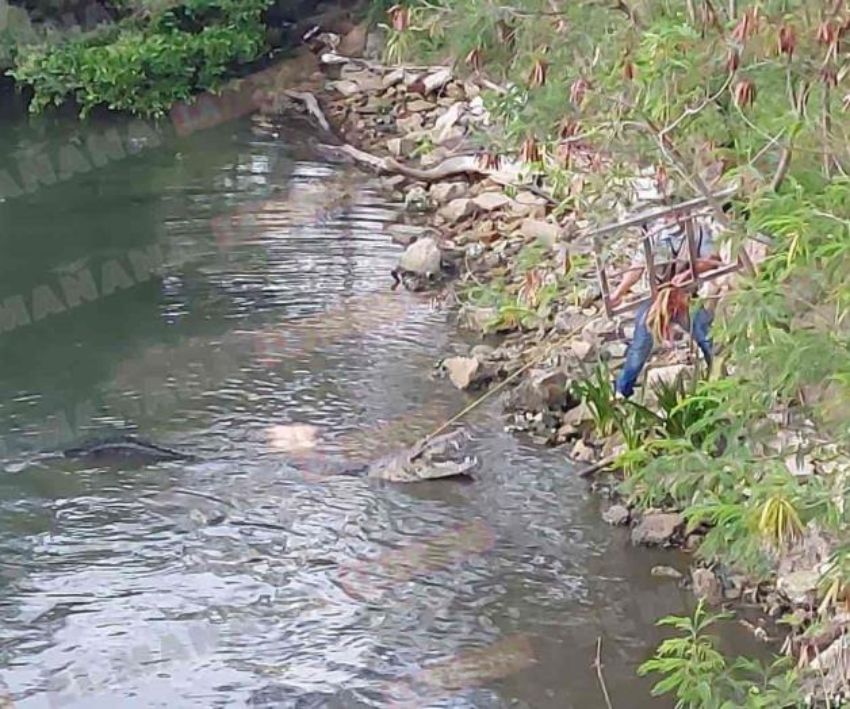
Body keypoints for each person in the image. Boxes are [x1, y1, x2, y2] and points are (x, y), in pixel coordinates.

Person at [609, 209, 723, 398]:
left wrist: (690, 272)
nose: (673, 218)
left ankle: (719, 383)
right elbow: (637, 268)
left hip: (685, 298)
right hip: (657, 300)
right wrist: (618, 293)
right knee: (641, 344)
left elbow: (712, 260)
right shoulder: (654, 236)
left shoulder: (697, 231)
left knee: (707, 335)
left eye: (678, 212)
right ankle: (622, 390)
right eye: (669, 214)